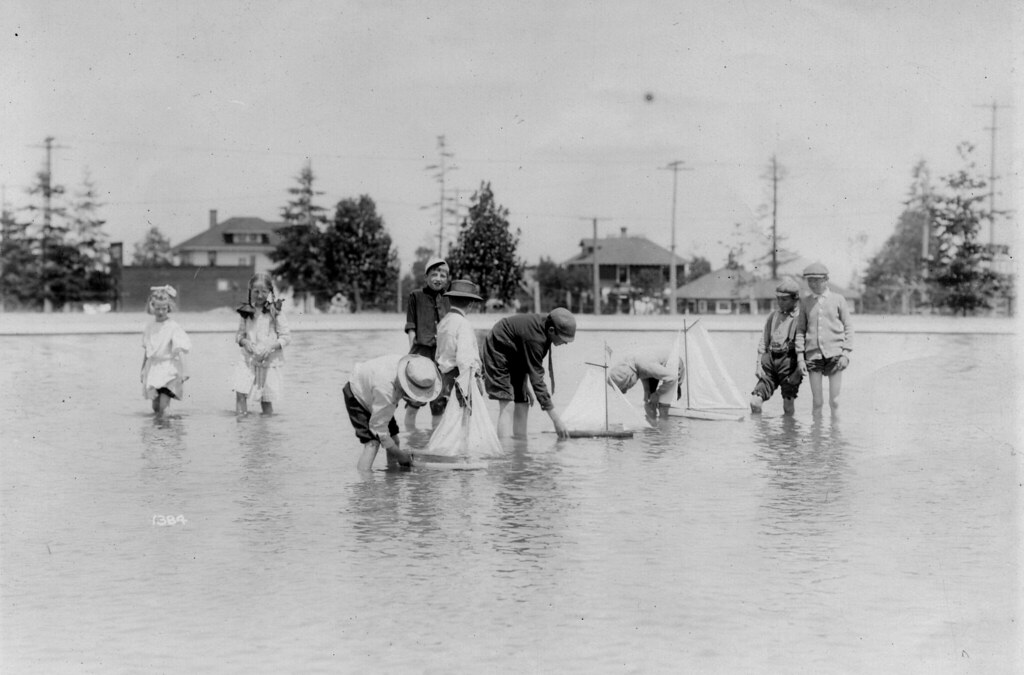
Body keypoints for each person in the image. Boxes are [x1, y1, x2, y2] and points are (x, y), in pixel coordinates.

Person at [481, 308, 576, 439]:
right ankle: (505, 452)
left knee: (522, 400)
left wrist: (524, 385)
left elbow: (528, 360)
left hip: (516, 351)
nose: (565, 343)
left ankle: (520, 447)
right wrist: (556, 420)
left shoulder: (546, 327)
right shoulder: (536, 339)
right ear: (552, 331)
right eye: (564, 338)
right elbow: (537, 379)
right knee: (507, 402)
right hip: (498, 348)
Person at [343, 354, 442, 470]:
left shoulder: (412, 368)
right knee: (372, 444)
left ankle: (392, 474)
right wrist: (400, 455)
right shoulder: (386, 392)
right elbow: (378, 429)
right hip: (357, 393)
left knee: (394, 439)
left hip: (375, 390)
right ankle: (365, 483)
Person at [795, 262, 853, 414]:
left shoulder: (838, 299)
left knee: (834, 401)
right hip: (813, 356)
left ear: (826, 280)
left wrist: (845, 354)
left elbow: (848, 327)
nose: (813, 284)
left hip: (835, 355)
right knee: (817, 402)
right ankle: (817, 437)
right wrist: (800, 357)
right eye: (810, 280)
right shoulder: (805, 302)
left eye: (817, 280)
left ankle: (835, 436)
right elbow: (800, 330)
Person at [232, 272, 292, 415]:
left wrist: (271, 346)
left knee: (266, 400)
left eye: (264, 292)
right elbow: (239, 334)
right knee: (240, 392)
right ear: (250, 291)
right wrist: (244, 341)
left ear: (270, 292)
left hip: (268, 360)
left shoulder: (275, 312)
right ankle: (242, 428)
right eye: (256, 291)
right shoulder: (246, 312)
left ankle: (265, 433)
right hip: (248, 359)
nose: (259, 296)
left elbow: (286, 337)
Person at [403, 256, 450, 429]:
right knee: (414, 399)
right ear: (426, 277)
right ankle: (410, 440)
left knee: (439, 404)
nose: (438, 278)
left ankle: (434, 444)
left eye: (442, 275)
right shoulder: (416, 296)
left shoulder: (449, 298)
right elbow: (411, 326)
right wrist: (413, 354)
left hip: (442, 356)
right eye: (434, 274)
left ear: (447, 279)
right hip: (421, 353)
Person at [749, 277, 803, 415]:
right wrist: (758, 364)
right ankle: (761, 435)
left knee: (788, 406)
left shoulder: (802, 319)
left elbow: (806, 350)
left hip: (789, 364)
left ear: (795, 299)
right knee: (755, 402)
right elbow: (763, 341)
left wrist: (798, 372)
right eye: (778, 298)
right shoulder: (773, 316)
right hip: (770, 361)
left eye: (784, 299)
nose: (780, 302)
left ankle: (789, 435)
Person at [140, 285, 191, 416]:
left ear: (168, 308)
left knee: (164, 405)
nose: (161, 312)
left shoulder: (173, 327)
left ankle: (167, 434)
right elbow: (147, 350)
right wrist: (142, 369)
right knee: (155, 406)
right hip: (154, 368)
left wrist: (184, 371)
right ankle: (159, 432)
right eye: (157, 309)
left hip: (169, 368)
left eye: (164, 309)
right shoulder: (149, 326)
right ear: (152, 307)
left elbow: (180, 349)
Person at [435, 279, 484, 404]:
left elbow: (438, 353)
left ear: (450, 300)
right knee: (460, 420)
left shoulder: (443, 322)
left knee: (440, 418)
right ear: (471, 304)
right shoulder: (463, 324)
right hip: (459, 380)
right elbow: (464, 359)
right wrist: (471, 385)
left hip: (442, 377)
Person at [607, 350, 685, 419]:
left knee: (663, 405)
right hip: (655, 365)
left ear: (630, 377)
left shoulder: (646, 366)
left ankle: (665, 424)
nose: (627, 389)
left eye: (627, 386)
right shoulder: (630, 365)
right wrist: (647, 391)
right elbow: (642, 373)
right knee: (648, 401)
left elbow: (672, 378)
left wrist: (657, 394)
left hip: (673, 365)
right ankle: (652, 425)